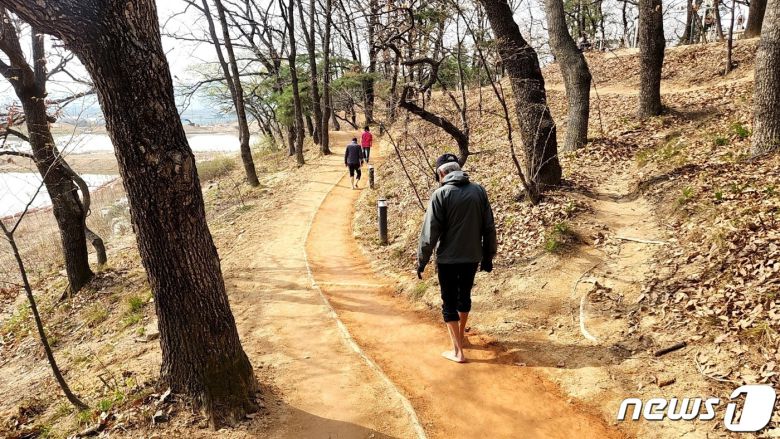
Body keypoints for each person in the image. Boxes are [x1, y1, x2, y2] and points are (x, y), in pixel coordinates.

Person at [416, 153, 497, 363]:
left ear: (442, 173)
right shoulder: (479, 191)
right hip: (472, 257)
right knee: (464, 297)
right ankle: (460, 338)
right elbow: (489, 227)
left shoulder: (441, 195)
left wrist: (421, 261)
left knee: (449, 302)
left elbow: (429, 233)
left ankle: (457, 351)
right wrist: (488, 256)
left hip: (448, 260)